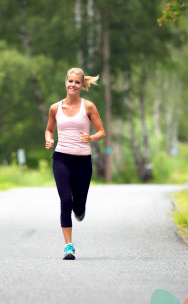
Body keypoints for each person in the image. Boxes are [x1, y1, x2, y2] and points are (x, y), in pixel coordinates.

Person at [45, 67, 106, 260]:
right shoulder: (55, 108)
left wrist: (91, 138)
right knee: (66, 201)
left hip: (83, 162)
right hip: (61, 158)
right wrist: (49, 139)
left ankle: (80, 210)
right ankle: (68, 246)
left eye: (77, 82)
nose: (73, 84)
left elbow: (102, 132)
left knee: (78, 207)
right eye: (70, 81)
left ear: (81, 85)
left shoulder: (88, 107)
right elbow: (49, 130)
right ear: (66, 82)